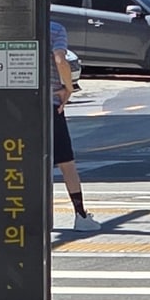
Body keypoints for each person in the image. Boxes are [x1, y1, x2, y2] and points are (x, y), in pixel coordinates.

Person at [51, 19, 99, 231]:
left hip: (17, 106)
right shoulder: (55, 28)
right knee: (66, 163)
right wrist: (68, 88)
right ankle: (80, 214)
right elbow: (60, 59)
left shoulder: (13, 26)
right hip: (49, 104)